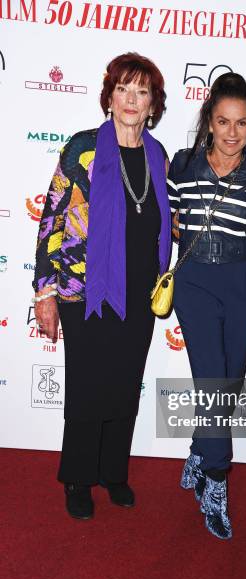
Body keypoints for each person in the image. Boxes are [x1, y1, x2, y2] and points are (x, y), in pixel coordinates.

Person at [32, 52, 171, 520]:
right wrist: (44, 291)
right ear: (109, 97)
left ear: (153, 104)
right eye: (123, 89)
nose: (132, 100)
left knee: (125, 385)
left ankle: (114, 472)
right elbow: (51, 219)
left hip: (139, 291)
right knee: (89, 384)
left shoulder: (158, 156)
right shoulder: (82, 148)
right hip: (84, 289)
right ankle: (77, 477)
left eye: (142, 91)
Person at [167, 73, 246, 539]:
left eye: (243, 124)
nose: (233, 133)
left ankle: (198, 447)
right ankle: (216, 481)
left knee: (228, 384)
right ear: (208, 122)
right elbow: (173, 220)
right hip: (195, 284)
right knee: (212, 381)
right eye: (223, 122)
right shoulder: (183, 165)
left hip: (244, 283)